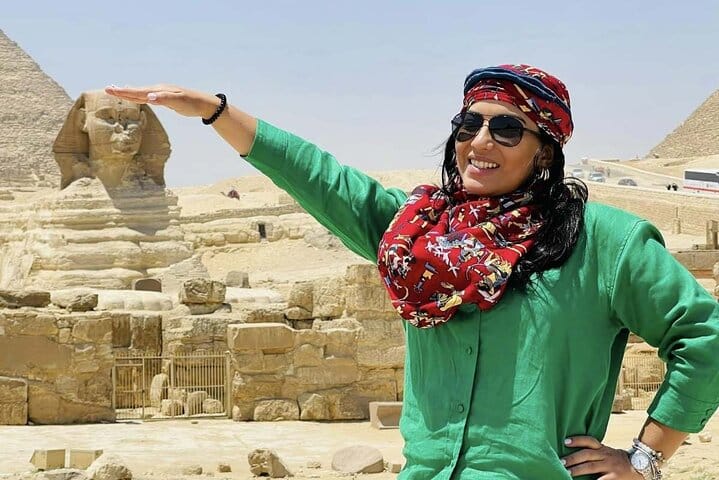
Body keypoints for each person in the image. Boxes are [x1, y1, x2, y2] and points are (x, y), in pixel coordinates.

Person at [106, 64, 719, 480]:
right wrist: (216, 111)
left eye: (507, 128)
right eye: (469, 124)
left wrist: (644, 458)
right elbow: (321, 178)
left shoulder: (604, 241)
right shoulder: (418, 233)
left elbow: (705, 337)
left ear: (545, 151)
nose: (481, 140)